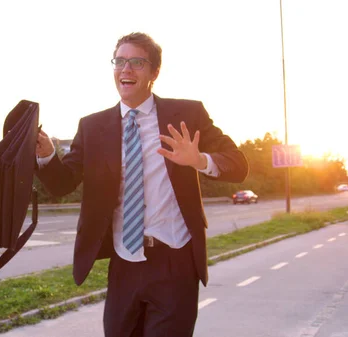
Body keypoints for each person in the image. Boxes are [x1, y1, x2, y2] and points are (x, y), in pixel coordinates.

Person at [35, 32, 249, 337]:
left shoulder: (188, 113)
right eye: (120, 61)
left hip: (175, 261)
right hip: (124, 262)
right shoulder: (93, 127)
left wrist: (199, 160)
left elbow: (238, 164)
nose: (126, 69)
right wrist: (46, 155)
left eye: (137, 62)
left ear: (154, 72)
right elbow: (62, 183)